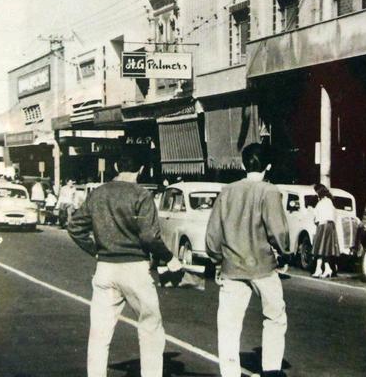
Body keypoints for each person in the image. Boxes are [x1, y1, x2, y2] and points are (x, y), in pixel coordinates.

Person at [68, 156, 181, 377]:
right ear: (141, 168)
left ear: (116, 166)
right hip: (135, 269)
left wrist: (96, 250)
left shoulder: (98, 193)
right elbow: (149, 237)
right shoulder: (141, 194)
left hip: (105, 268)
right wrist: (169, 258)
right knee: (150, 327)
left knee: (100, 334)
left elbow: (75, 227)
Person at [206, 143, 290, 377]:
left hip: (232, 268)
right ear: (269, 167)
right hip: (263, 268)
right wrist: (285, 252)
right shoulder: (270, 191)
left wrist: (216, 260)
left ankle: (229, 373)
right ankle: (271, 370)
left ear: (243, 164)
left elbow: (213, 234)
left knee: (229, 327)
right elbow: (279, 232)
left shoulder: (227, 191)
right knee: (274, 318)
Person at [311, 184, 340, 279]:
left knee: (320, 248)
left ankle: (318, 269)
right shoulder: (329, 202)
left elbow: (316, 218)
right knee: (325, 249)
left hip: (323, 225)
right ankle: (327, 269)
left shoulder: (322, 203)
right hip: (330, 226)